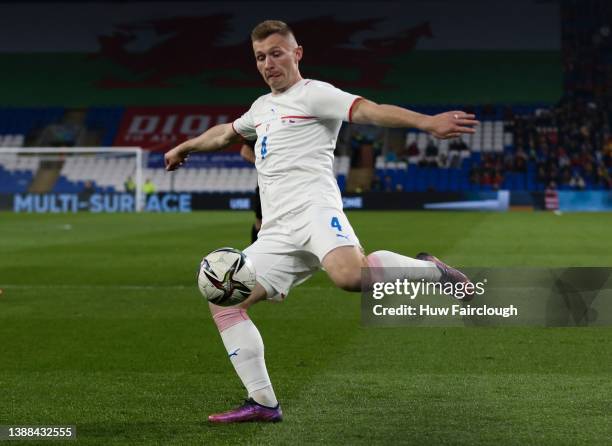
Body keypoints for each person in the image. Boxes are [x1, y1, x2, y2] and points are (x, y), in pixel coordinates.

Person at [165, 20, 479, 424]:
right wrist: (185, 146)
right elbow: (226, 133)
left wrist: (427, 122)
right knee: (224, 302)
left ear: (297, 53)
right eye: (260, 57)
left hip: (316, 211)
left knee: (350, 279)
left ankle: (432, 270)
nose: (268, 63)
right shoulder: (261, 108)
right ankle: (262, 403)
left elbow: (369, 110)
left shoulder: (315, 94)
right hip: (276, 230)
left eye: (276, 53)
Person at [239, 139, 263, 242]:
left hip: (293, 183)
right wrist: (262, 164)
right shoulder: (263, 126)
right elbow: (245, 151)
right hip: (265, 184)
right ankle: (255, 254)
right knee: (260, 222)